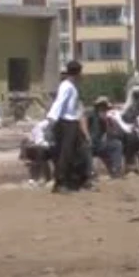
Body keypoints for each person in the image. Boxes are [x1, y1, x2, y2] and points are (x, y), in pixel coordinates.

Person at [46, 60, 88, 194]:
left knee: (78, 152)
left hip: (72, 121)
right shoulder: (66, 86)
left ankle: (75, 181)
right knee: (66, 153)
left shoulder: (72, 86)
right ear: (77, 73)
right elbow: (59, 102)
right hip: (66, 123)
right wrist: (52, 119)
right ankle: (60, 183)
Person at [107, 105, 139, 175]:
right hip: (121, 141)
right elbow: (125, 128)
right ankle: (129, 165)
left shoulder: (136, 117)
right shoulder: (116, 115)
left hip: (132, 141)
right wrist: (132, 128)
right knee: (131, 135)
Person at [86, 97, 124, 179]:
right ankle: (90, 173)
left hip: (99, 144)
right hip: (88, 143)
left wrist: (108, 123)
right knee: (86, 148)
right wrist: (87, 137)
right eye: (101, 107)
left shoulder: (107, 119)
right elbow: (83, 126)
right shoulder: (90, 115)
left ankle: (116, 170)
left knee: (116, 144)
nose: (104, 110)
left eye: (105, 108)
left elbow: (113, 134)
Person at [21, 119, 54, 186]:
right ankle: (45, 179)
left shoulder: (38, 128)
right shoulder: (43, 127)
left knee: (39, 159)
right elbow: (39, 142)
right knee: (41, 158)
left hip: (39, 147)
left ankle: (34, 179)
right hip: (42, 148)